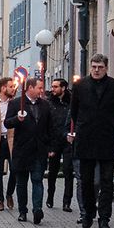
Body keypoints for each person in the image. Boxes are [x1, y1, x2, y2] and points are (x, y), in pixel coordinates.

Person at [69, 53, 114, 228]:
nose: (96, 70)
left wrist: (112, 127)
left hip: (107, 139)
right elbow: (74, 112)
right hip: (86, 139)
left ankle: (104, 219)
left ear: (106, 68)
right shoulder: (80, 86)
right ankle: (88, 213)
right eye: (94, 66)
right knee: (86, 181)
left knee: (107, 182)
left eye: (100, 67)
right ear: (90, 67)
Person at [4, 78, 53, 224]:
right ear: (30, 88)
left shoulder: (45, 105)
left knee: (37, 180)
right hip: (22, 149)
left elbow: (50, 127)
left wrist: (50, 147)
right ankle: (22, 211)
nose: (41, 90)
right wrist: (16, 119)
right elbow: (7, 122)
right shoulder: (16, 103)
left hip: (39, 149)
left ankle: (37, 209)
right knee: (21, 182)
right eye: (39, 88)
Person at [46, 77, 74, 212]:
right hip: (54, 141)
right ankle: (50, 197)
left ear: (63, 88)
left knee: (68, 171)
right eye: (52, 86)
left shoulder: (72, 102)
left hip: (68, 141)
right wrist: (49, 146)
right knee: (52, 172)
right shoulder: (49, 102)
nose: (53, 89)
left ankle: (67, 202)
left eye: (55, 87)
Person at [0, 76, 17, 211]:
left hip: (12, 139)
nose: (13, 89)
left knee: (15, 169)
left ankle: (9, 194)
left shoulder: (16, 103)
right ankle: (0, 199)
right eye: (11, 86)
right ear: (3, 88)